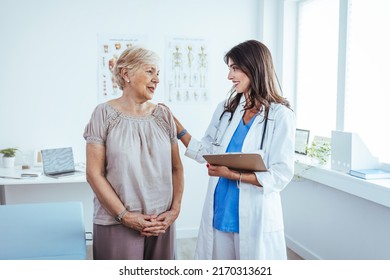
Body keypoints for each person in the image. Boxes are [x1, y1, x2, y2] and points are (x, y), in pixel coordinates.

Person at [174, 40, 295, 260]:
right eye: (230, 69)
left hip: (256, 213)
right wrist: (179, 129)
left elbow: (281, 173)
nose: (230, 76)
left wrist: (233, 175)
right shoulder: (226, 109)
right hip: (221, 208)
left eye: (235, 68)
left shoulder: (280, 115)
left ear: (255, 67)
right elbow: (207, 151)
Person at [83, 46, 184, 260]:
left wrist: (174, 211)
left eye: (158, 73)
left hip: (161, 223)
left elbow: (176, 168)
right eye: (150, 71)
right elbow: (94, 174)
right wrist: (125, 216)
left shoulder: (164, 115)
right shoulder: (103, 114)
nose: (156, 79)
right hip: (116, 221)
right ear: (126, 74)